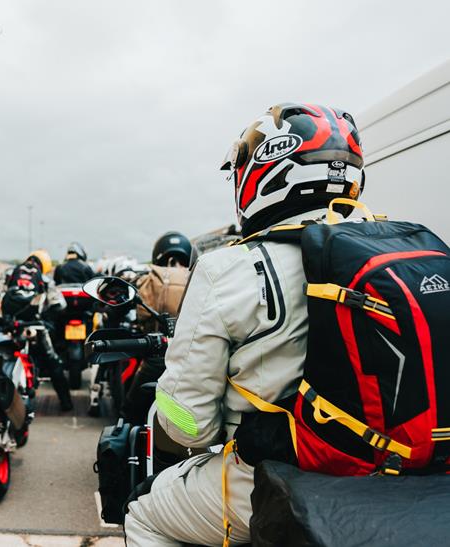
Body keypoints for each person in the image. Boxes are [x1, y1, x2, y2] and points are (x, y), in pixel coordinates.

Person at [125, 103, 366, 546]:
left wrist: (165, 411)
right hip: (402, 471)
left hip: (277, 478)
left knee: (143, 513)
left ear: (266, 172)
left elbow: (189, 426)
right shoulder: (404, 247)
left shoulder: (228, 269)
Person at [120, 231, 192, 426]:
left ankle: (125, 452)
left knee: (129, 414)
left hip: (156, 357)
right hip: (193, 359)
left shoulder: (148, 277)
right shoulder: (196, 276)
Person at [0, 249, 73, 411]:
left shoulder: (10, 272)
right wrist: (46, 313)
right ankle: (66, 403)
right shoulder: (45, 279)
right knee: (53, 361)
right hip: (35, 327)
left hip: (9, 326)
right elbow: (60, 304)